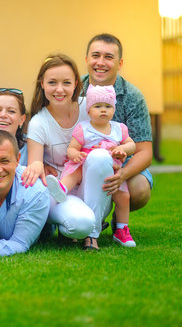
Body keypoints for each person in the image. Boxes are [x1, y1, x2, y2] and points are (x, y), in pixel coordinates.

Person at [21, 53, 102, 251]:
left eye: (66, 82)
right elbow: (34, 164)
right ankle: (73, 228)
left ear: (76, 83)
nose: (59, 89)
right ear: (42, 84)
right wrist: (38, 164)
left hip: (92, 187)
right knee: (80, 223)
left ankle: (93, 235)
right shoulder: (39, 122)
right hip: (61, 193)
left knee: (100, 157)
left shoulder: (89, 108)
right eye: (52, 82)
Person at [46, 84, 137, 247]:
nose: (104, 110)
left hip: (112, 169)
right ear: (88, 110)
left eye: (108, 106)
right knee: (75, 173)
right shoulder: (84, 128)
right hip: (85, 163)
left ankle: (122, 229)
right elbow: (71, 148)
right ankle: (61, 189)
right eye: (98, 106)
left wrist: (122, 148)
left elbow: (132, 145)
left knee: (123, 196)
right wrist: (76, 155)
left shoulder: (119, 129)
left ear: (114, 109)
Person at [81, 33, 153, 225]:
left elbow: (145, 152)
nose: (101, 62)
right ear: (87, 59)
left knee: (139, 189)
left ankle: (118, 217)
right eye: (96, 56)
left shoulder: (133, 97)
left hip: (123, 161)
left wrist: (122, 175)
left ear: (120, 63)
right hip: (81, 157)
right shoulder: (74, 89)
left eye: (109, 57)